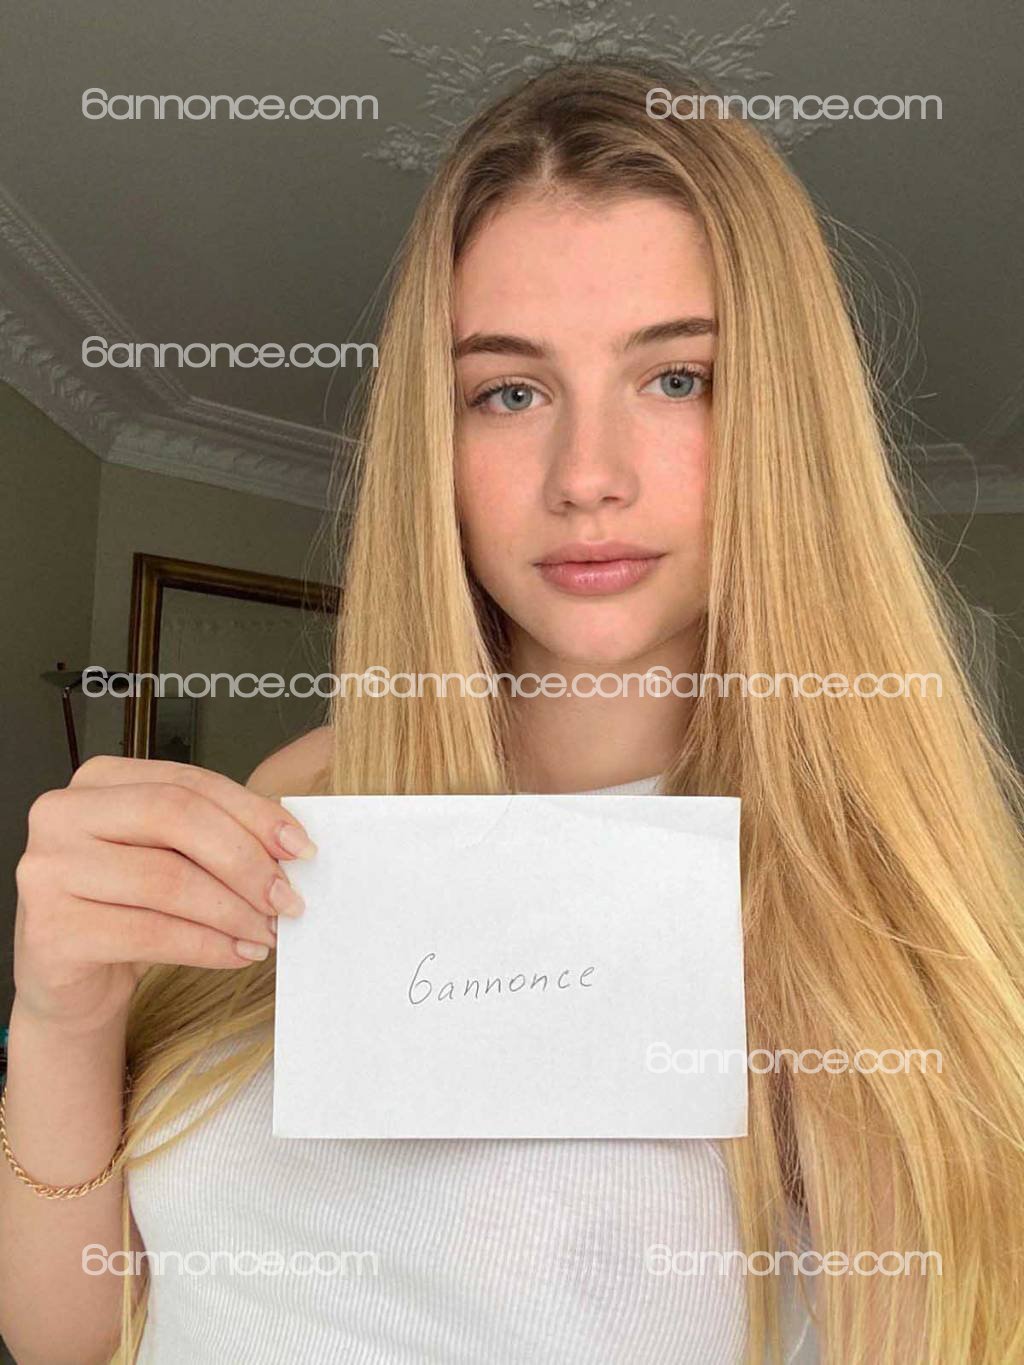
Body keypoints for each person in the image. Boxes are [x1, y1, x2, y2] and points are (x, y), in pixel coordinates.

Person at [2, 56, 1023, 1365]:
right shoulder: (309, 787)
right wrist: (65, 1020)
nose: (586, 476)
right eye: (510, 391)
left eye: (678, 378)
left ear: (785, 419)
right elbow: (74, 1337)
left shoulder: (865, 913)